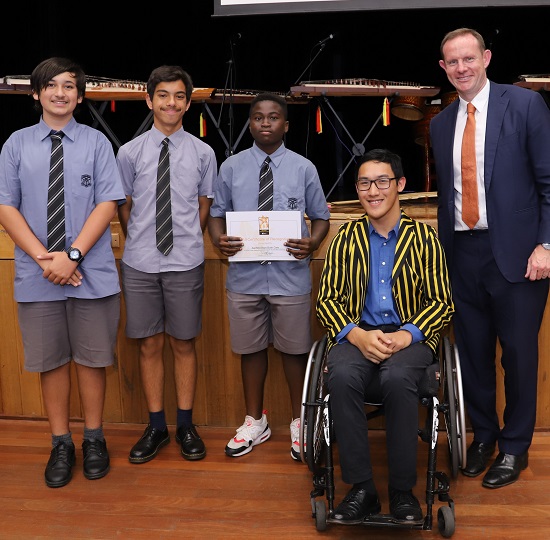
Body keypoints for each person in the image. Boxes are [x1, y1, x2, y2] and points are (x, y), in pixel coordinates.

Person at [431, 28, 550, 489]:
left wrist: (546, 245)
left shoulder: (524, 106)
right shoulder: (441, 124)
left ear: (486, 58)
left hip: (521, 256)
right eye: (452, 62)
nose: (461, 68)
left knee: (518, 356)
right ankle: (484, 436)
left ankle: (515, 446)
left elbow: (548, 182)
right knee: (473, 356)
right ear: (443, 68)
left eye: (468, 59)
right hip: (462, 254)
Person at [0, 57, 125, 487]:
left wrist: (71, 256)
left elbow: (107, 204)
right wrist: (44, 259)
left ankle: (93, 438)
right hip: (37, 274)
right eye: (50, 86)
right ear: (35, 94)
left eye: (68, 86)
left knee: (92, 360)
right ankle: (60, 443)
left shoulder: (97, 143)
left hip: (91, 271)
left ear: (80, 94)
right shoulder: (15, 144)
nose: (59, 93)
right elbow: (5, 207)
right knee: (51, 362)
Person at [316, 149, 454, 524]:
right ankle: (362, 489)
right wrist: (357, 335)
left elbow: (442, 302)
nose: (372, 191)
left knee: (397, 377)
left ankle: (402, 491)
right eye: (364, 183)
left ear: (400, 185)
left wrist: (408, 336)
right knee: (341, 376)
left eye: (381, 182)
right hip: (356, 335)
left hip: (408, 337)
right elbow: (326, 300)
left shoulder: (423, 238)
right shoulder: (345, 239)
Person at [208, 92, 330, 460]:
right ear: (250, 123)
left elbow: (321, 217)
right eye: (258, 117)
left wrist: (312, 243)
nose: (265, 122)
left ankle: (299, 422)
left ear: (286, 125)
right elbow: (216, 213)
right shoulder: (230, 167)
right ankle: (255, 421)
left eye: (273, 117)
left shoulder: (303, 168)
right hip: (244, 277)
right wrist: (218, 239)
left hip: (289, 276)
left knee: (295, 352)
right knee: (250, 350)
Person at [116, 65, 216, 463]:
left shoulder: (204, 152)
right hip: (139, 262)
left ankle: (185, 425)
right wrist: (141, 238)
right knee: (150, 344)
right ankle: (156, 427)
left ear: (187, 103)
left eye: (178, 96)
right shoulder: (129, 152)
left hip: (186, 261)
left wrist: (188, 238)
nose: (170, 102)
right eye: (163, 95)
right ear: (149, 100)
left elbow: (205, 204)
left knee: (183, 342)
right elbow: (123, 206)